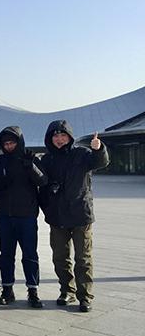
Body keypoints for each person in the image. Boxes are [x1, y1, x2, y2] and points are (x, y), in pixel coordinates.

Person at [39, 120, 109, 312]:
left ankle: (85, 296)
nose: (59, 139)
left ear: (70, 137)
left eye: (63, 136)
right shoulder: (47, 160)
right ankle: (67, 290)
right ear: (50, 138)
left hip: (80, 215)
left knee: (83, 257)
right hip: (58, 217)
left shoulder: (82, 154)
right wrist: (48, 209)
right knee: (60, 257)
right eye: (55, 136)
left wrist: (98, 148)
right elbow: (42, 187)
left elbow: (101, 162)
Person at [0, 126, 47, 308]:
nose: (9, 146)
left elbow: (43, 180)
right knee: (6, 255)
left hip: (27, 215)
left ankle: (33, 290)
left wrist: (31, 168)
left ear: (19, 142)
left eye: (12, 142)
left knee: (30, 255)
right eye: (6, 143)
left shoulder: (30, 158)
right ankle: (7, 289)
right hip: (4, 215)